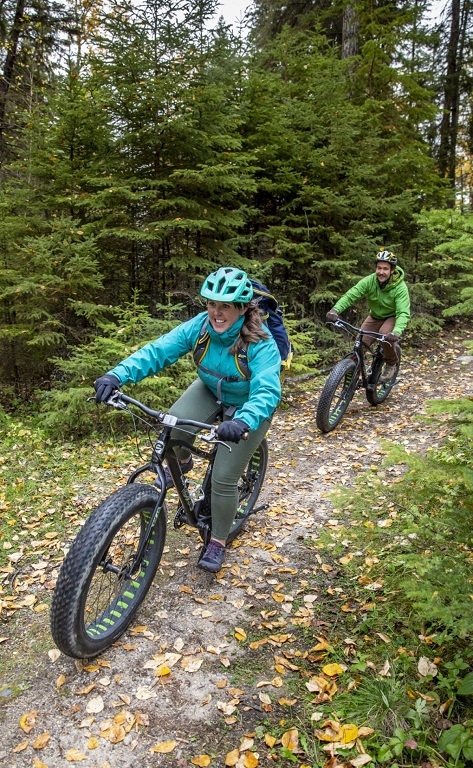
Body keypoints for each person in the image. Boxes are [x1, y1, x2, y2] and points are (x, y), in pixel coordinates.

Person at [94, 267, 282, 574]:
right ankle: (181, 464)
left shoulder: (261, 342)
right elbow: (158, 351)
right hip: (210, 389)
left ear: (242, 308)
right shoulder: (200, 328)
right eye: (211, 304)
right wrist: (117, 374)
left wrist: (244, 421)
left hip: (250, 407)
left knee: (223, 478)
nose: (216, 313)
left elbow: (267, 389)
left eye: (225, 306)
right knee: (174, 426)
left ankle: (219, 540)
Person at [326, 250, 410, 381]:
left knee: (384, 335)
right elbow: (351, 294)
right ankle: (352, 377)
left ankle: (391, 363)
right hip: (375, 316)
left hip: (392, 316)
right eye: (379, 268)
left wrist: (396, 331)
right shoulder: (370, 281)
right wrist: (335, 310)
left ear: (392, 270)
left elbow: (403, 312)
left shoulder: (400, 287)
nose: (381, 272)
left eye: (385, 269)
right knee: (360, 343)